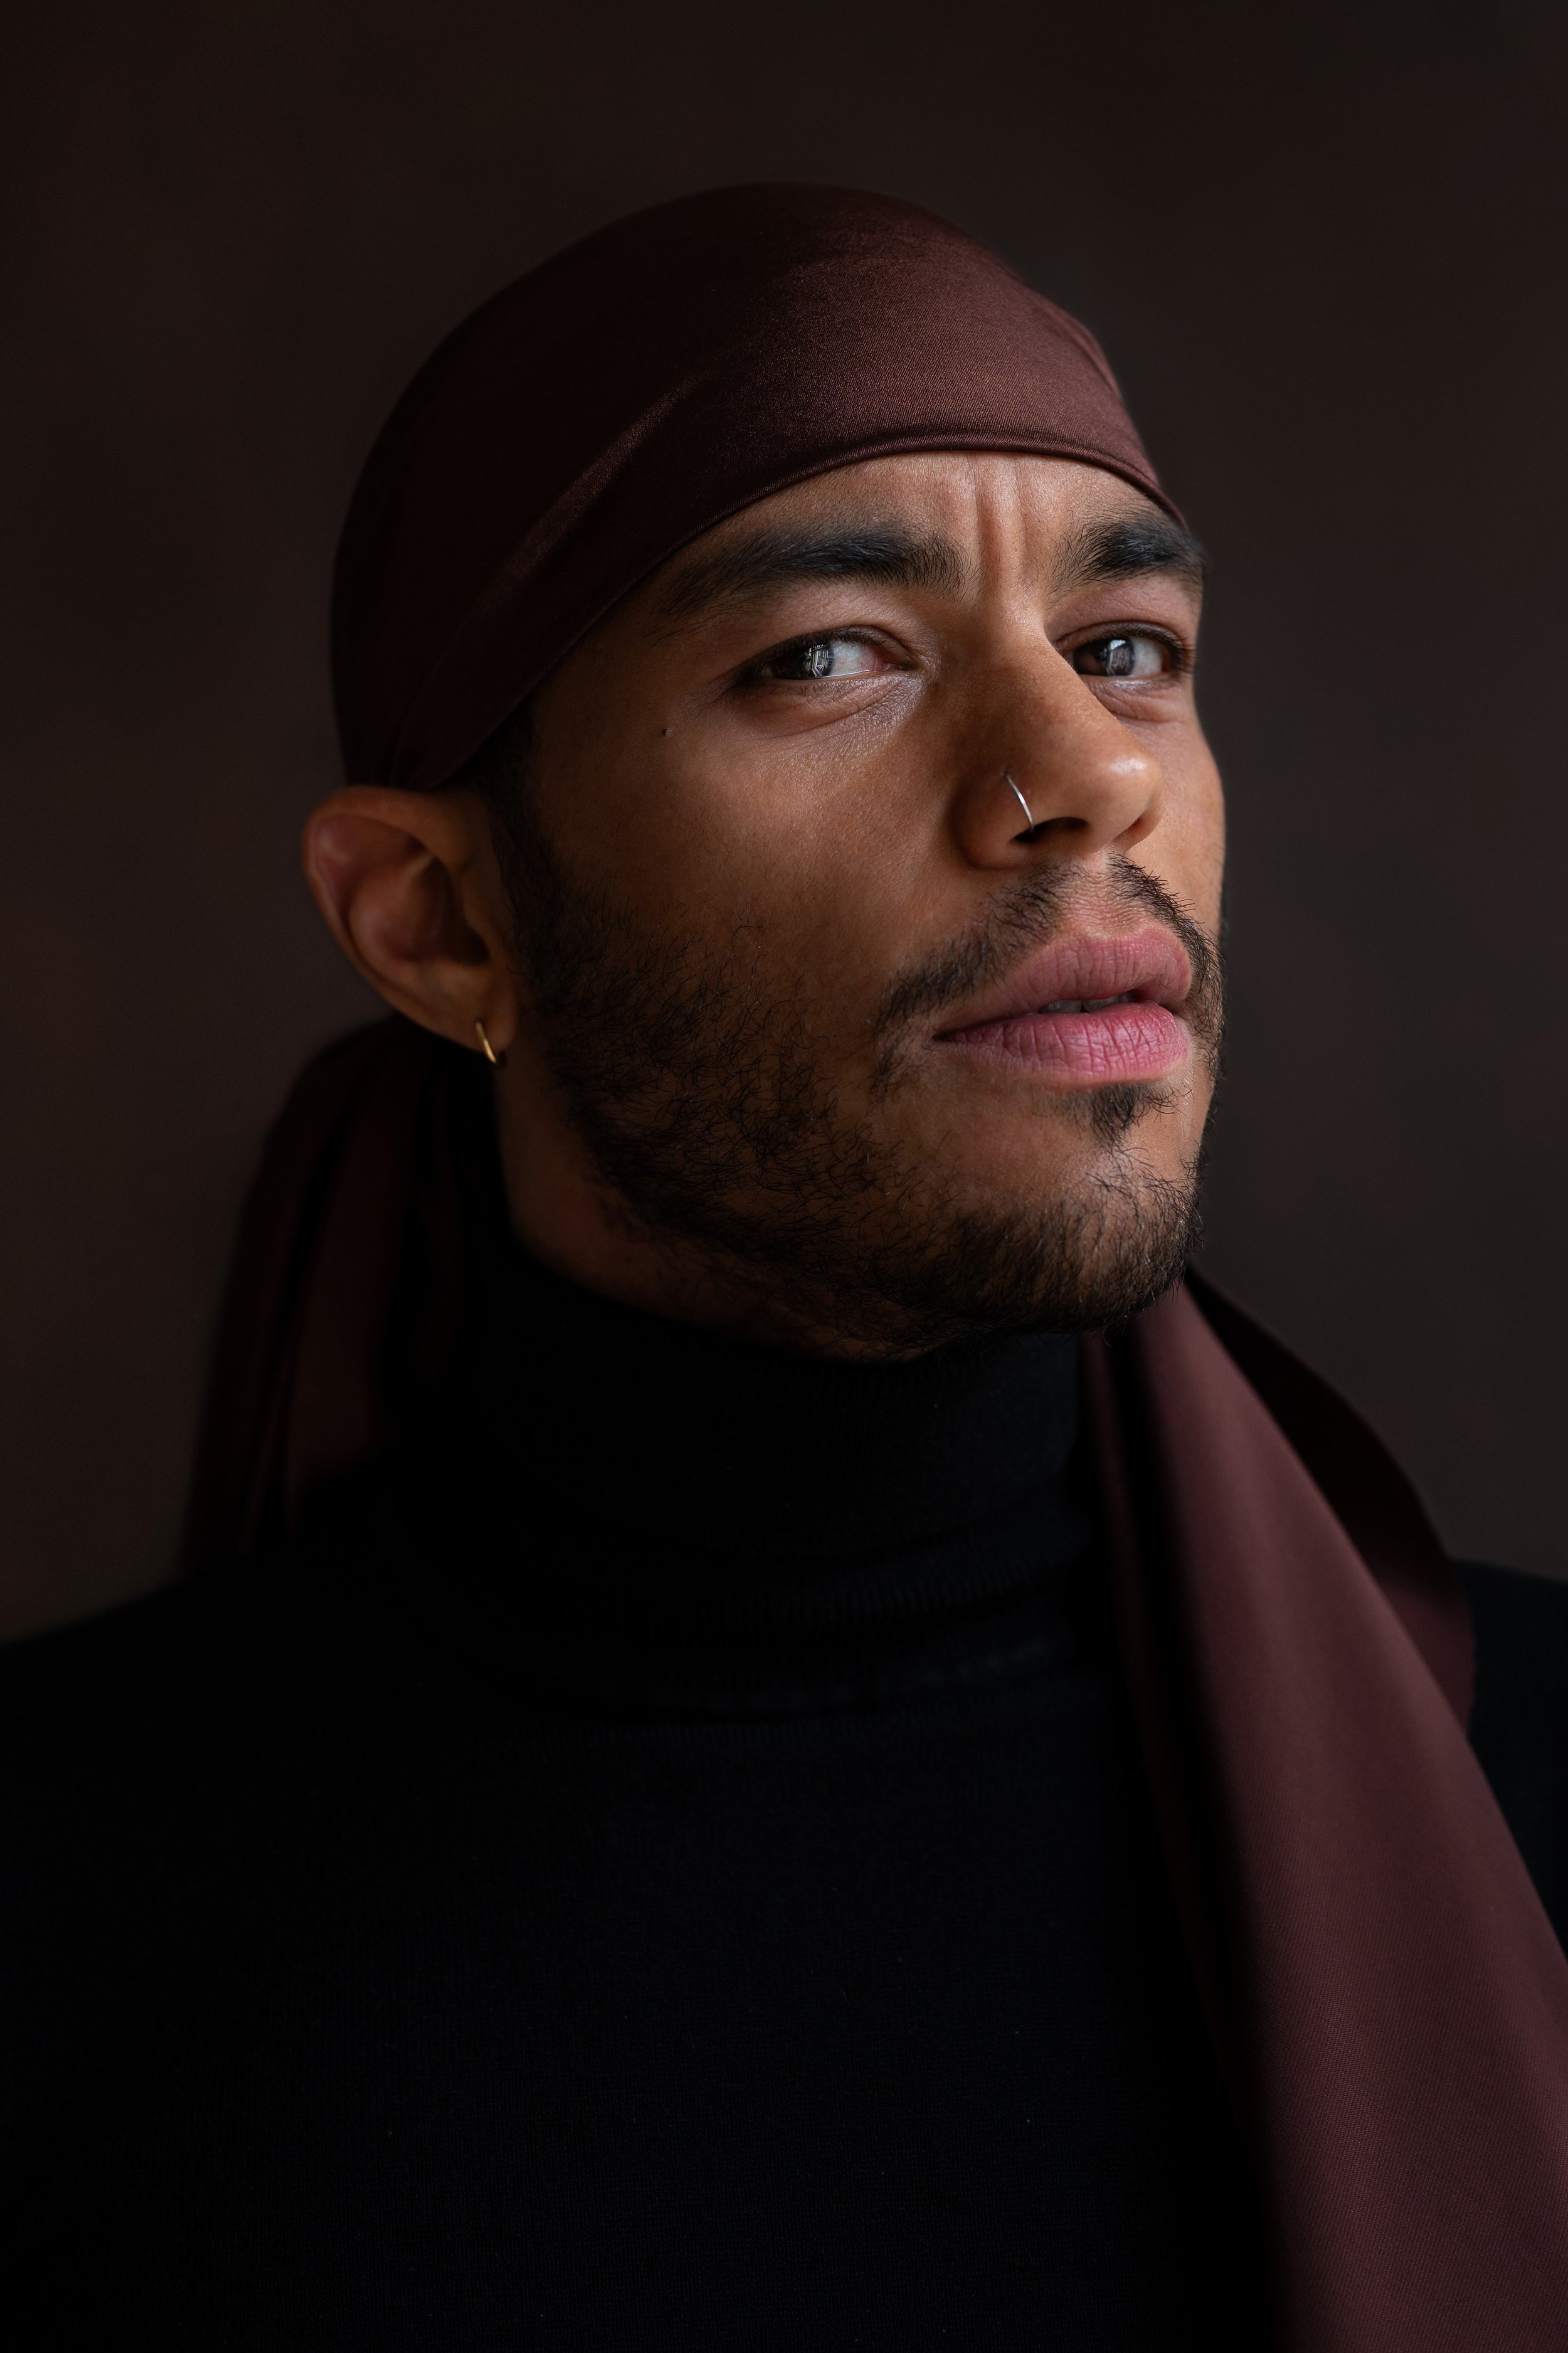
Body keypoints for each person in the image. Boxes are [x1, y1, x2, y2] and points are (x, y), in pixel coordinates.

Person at [3, 184, 1566, 2352]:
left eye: (1125, 650)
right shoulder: (60, 1908)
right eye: (825, 655)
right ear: (439, 923)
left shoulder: (1545, 1791)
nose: (1084, 777)